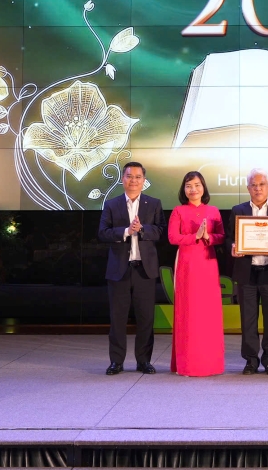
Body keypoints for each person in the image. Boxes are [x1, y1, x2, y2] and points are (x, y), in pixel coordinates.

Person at [98, 161, 164, 375]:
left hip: (145, 270)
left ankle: (144, 361)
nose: (133, 180)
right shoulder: (111, 204)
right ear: (122, 179)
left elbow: (161, 231)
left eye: (137, 177)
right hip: (119, 270)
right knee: (118, 318)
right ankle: (116, 362)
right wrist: (126, 231)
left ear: (144, 181)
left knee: (146, 318)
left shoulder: (153, 203)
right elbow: (103, 233)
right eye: (129, 176)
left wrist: (142, 229)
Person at [229, 168, 268, 375]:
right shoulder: (238, 210)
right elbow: (230, 238)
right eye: (253, 185)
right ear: (248, 188)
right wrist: (233, 246)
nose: (258, 189)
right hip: (246, 271)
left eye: (261, 184)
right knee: (248, 319)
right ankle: (251, 361)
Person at [168, 171, 226, 376]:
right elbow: (173, 238)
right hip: (187, 265)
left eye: (197, 185)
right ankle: (188, 364)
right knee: (189, 311)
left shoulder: (213, 211)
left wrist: (208, 236)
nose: (193, 189)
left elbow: (222, 236)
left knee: (208, 313)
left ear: (204, 188)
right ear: (183, 189)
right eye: (189, 185)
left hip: (208, 264)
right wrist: (195, 236)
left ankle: (210, 363)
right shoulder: (178, 211)